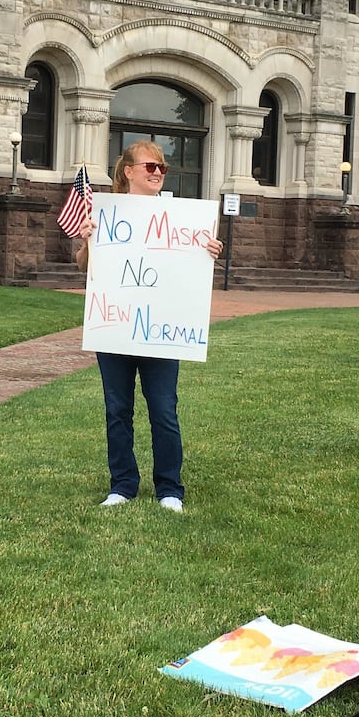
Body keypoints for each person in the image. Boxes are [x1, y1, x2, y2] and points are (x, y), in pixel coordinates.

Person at [72, 141, 221, 513]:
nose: (157, 173)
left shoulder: (180, 218)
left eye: (162, 169)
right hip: (116, 327)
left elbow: (186, 270)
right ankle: (122, 484)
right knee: (117, 410)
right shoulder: (105, 214)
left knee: (164, 411)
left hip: (162, 332)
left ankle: (169, 488)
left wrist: (208, 251)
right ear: (128, 171)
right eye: (150, 167)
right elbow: (82, 265)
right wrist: (90, 240)